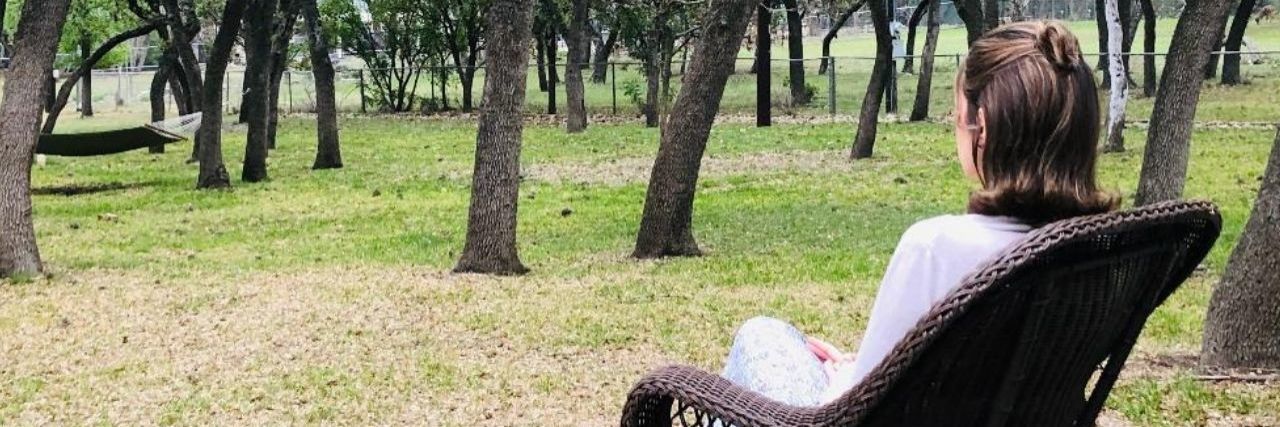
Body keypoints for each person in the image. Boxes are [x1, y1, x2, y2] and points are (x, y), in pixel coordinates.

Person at [720, 21, 1119, 407]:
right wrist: (858, 368)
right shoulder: (1102, 251)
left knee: (761, 335)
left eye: (957, 114)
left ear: (982, 126)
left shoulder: (936, 248)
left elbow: (861, 405)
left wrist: (844, 377)